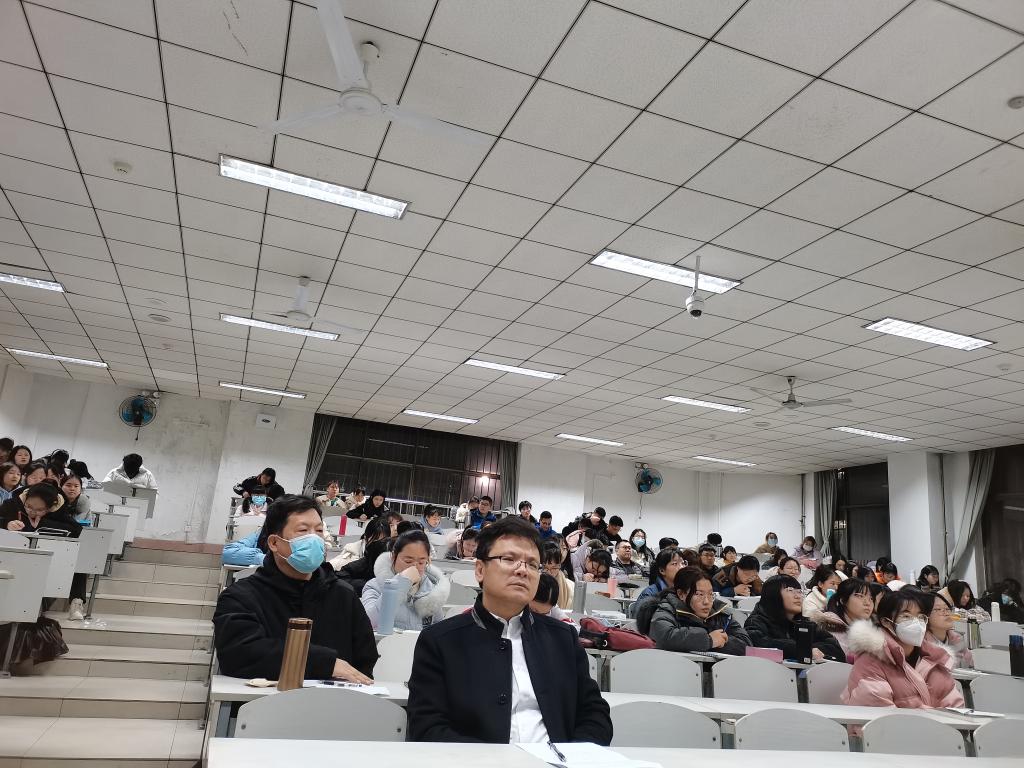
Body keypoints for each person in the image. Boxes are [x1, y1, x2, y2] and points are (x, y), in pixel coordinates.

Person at [406, 517, 611, 743]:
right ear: (480, 570)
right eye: (509, 559)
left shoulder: (563, 638)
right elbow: (426, 726)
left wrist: (574, 754)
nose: (522, 570)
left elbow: (595, 713)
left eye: (532, 564)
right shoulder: (440, 641)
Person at [212, 495, 377, 681]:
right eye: (303, 530)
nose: (314, 538)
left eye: (319, 530)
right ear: (274, 543)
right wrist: (324, 664)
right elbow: (240, 654)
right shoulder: (240, 597)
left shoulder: (343, 595)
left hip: (334, 698)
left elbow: (365, 660)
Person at [843, 587, 963, 708]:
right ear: (886, 622)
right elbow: (879, 712)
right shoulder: (870, 662)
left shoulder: (935, 658)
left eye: (921, 617)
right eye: (906, 616)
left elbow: (955, 707)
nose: (916, 622)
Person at [648, 567, 752, 655]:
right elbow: (663, 637)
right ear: (681, 594)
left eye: (710, 594)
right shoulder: (667, 610)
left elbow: (746, 645)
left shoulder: (721, 613)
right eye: (699, 594)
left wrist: (721, 641)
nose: (707, 602)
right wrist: (708, 640)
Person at [361, 530, 450, 630]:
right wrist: (401, 583)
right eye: (408, 561)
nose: (414, 567)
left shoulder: (432, 590)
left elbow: (439, 630)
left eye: (421, 562)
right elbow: (369, 623)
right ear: (393, 557)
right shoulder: (375, 586)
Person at [745, 575, 845, 662]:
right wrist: (803, 650)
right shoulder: (756, 621)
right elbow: (759, 646)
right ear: (773, 594)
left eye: (799, 591)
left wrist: (807, 649)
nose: (798, 596)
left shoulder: (806, 622)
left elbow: (836, 650)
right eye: (790, 590)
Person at [813, 578, 876, 661]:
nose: (867, 603)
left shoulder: (872, 631)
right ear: (843, 600)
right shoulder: (827, 627)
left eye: (871, 598)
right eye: (860, 596)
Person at [2, 482, 81, 536]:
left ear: (50, 508)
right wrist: (6, 524)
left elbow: (77, 530)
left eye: (39, 510)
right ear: (25, 498)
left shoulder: (58, 511)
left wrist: (43, 524)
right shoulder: (12, 504)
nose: (32, 512)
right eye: (29, 506)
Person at [924, 591, 972, 670]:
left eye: (947, 608)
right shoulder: (923, 646)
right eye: (938, 609)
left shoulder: (957, 639)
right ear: (925, 616)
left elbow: (972, 665)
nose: (946, 613)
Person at [631, 547, 684, 617]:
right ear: (662, 570)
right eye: (675, 564)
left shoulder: (685, 591)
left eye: (683, 563)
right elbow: (639, 620)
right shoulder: (650, 594)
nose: (681, 567)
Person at [542, 543, 574, 610]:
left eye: (554, 568)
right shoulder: (534, 582)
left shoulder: (571, 587)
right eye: (545, 568)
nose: (549, 572)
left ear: (559, 565)